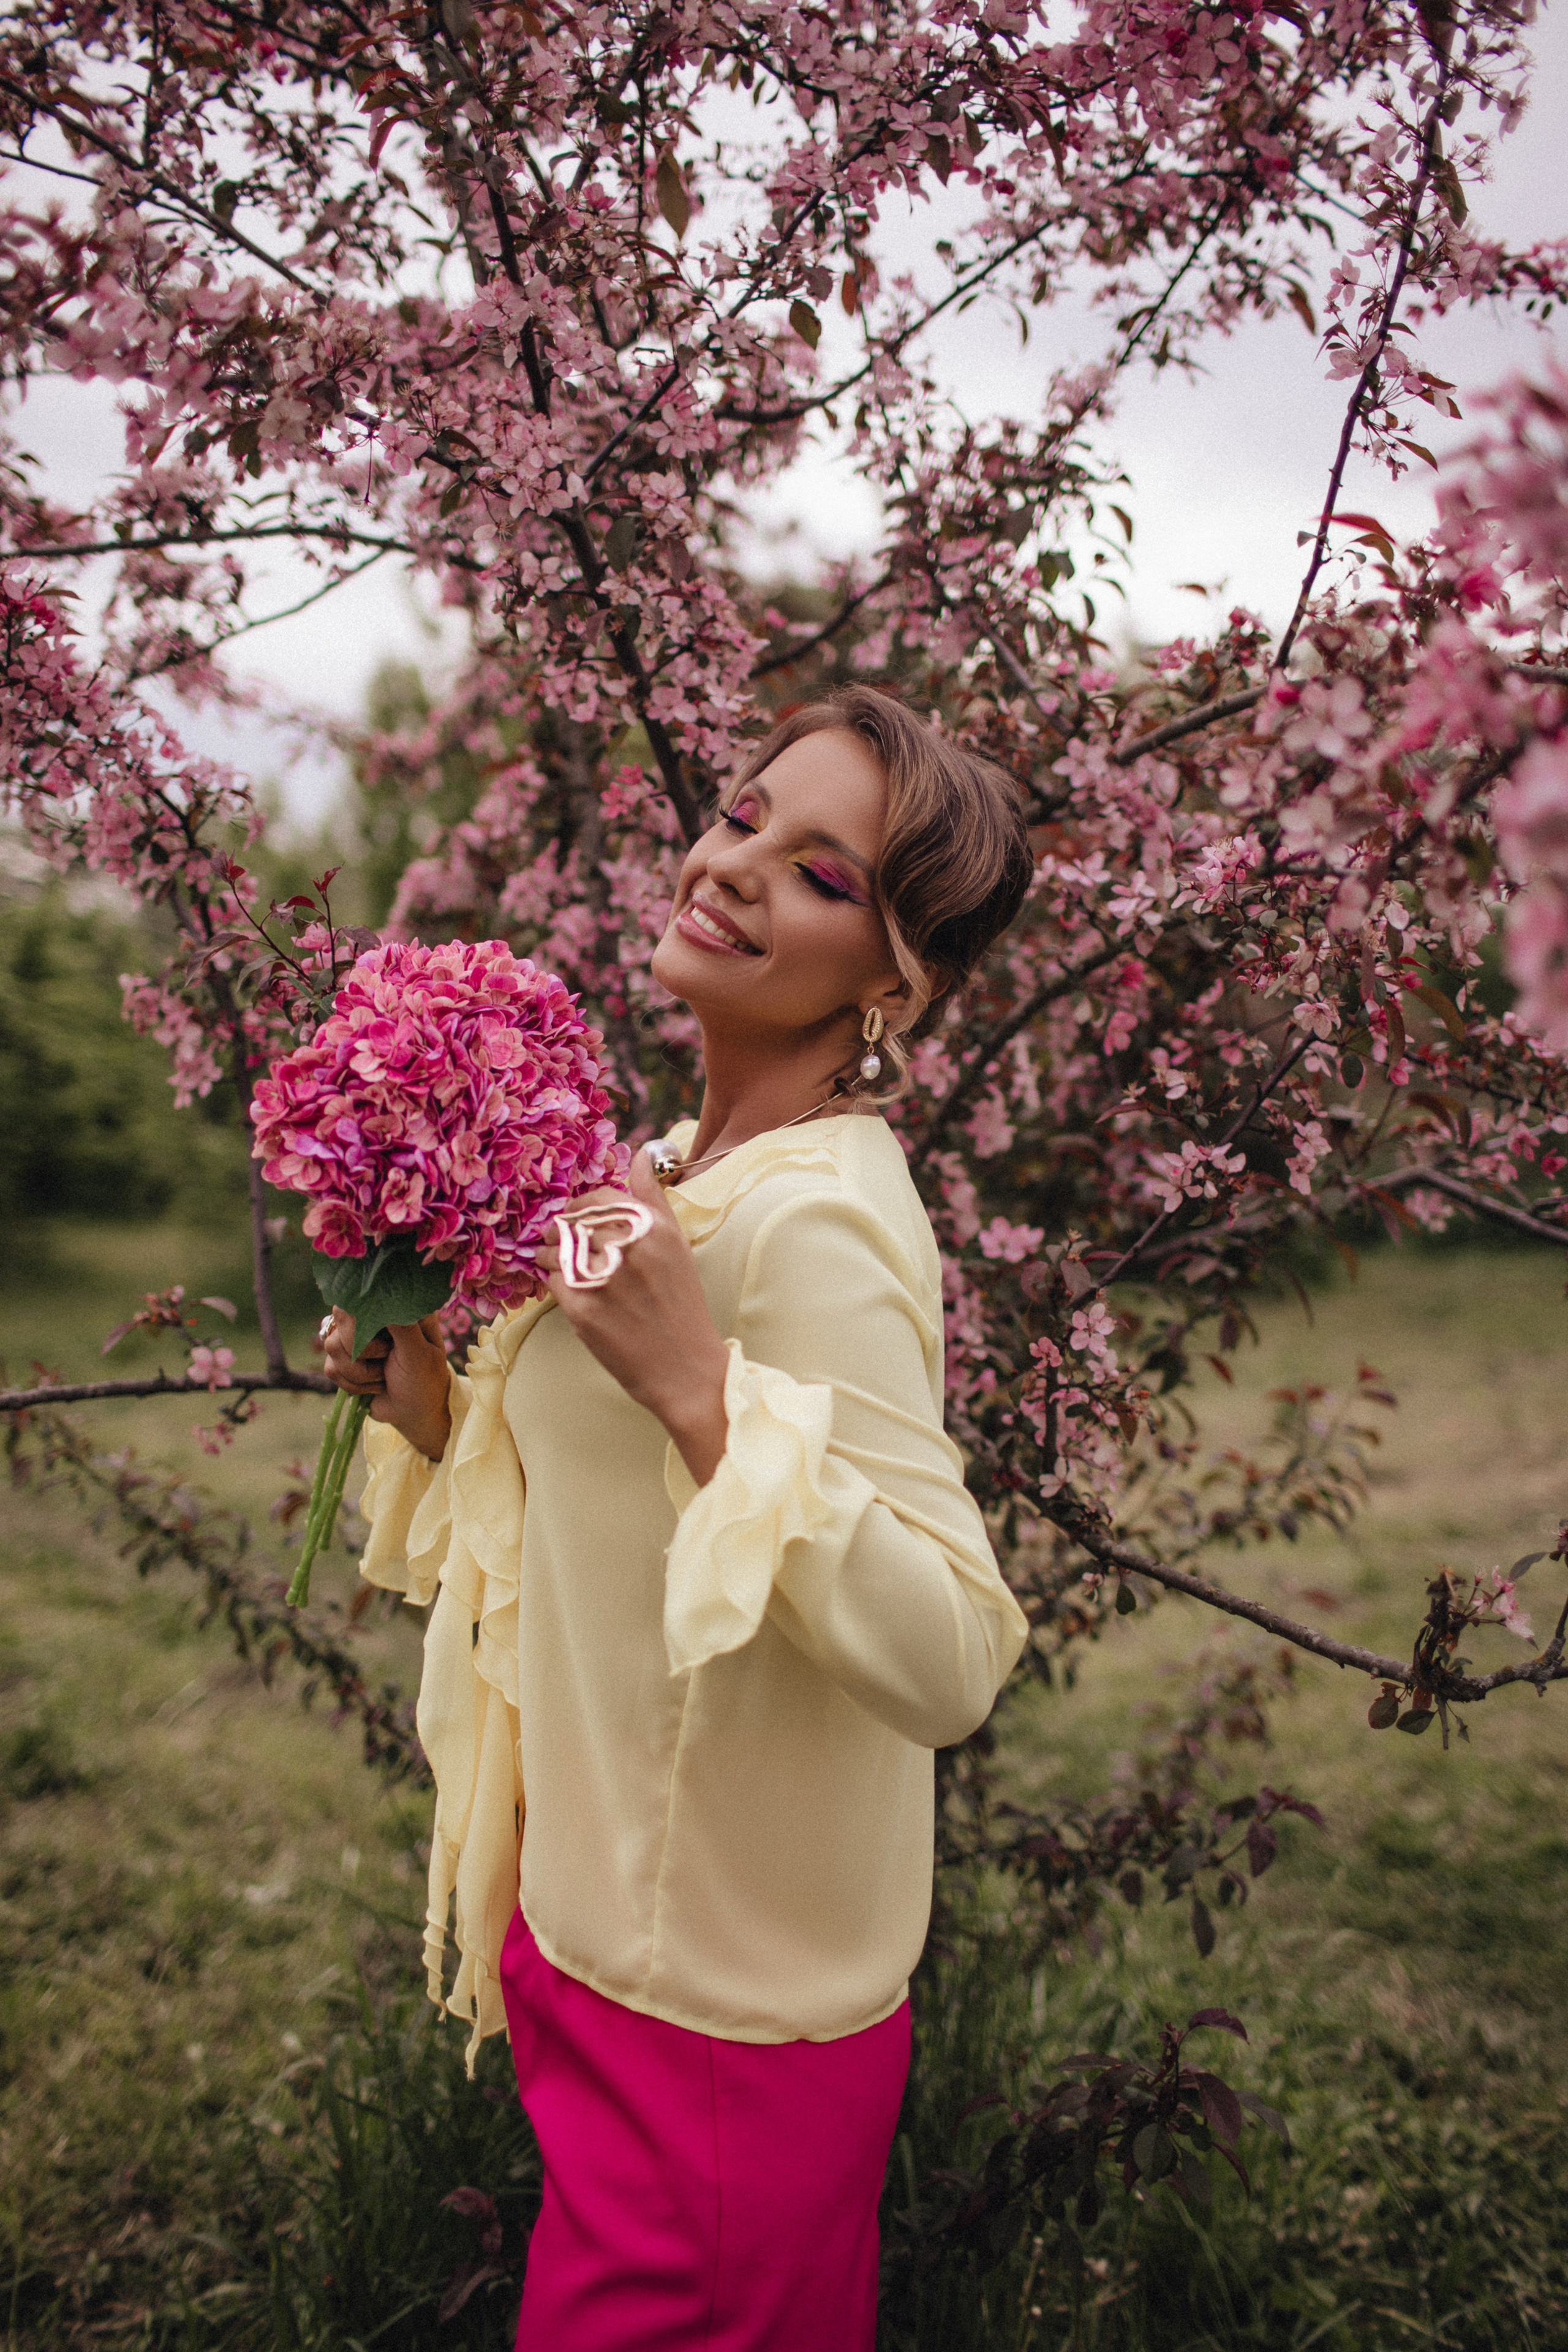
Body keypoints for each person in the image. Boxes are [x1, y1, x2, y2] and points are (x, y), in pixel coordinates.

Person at [323, 685, 1034, 2352]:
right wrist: (434, 1412)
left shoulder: (816, 1226)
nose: (732, 867)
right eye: (740, 814)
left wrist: (701, 1391)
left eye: (821, 873)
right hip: (592, 1938)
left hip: (723, 2029)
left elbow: (949, 1660)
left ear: (895, 980)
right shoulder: (655, 1171)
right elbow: (589, 1499)